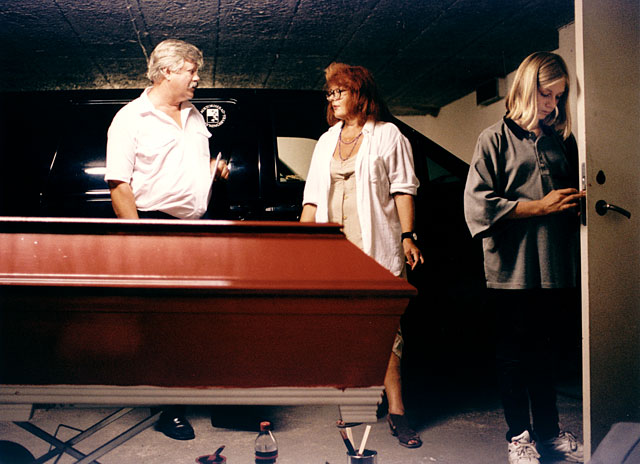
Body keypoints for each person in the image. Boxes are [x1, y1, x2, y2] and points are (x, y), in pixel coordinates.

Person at [463, 52, 585, 464]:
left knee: (544, 353)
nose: (551, 104)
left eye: (558, 96)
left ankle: (549, 434)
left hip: (553, 267)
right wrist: (540, 207)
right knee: (513, 356)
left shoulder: (559, 141)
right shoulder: (492, 138)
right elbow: (477, 205)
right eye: (545, 93)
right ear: (525, 87)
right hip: (510, 270)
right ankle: (518, 436)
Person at [105, 39, 228, 440]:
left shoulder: (193, 115)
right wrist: (138, 239)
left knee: (201, 320)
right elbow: (119, 184)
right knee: (164, 323)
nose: (197, 78)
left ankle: (216, 402)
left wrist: (210, 170)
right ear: (166, 72)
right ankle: (168, 410)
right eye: (191, 71)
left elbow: (181, 168)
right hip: (154, 228)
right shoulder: (130, 118)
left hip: (198, 228)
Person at [301, 62, 424, 449]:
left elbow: (404, 188)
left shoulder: (389, 136)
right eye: (330, 93)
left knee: (385, 330)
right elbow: (312, 198)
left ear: (359, 93)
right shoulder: (325, 141)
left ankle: (398, 411)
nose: (332, 99)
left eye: (339, 91)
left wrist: (408, 235)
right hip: (333, 251)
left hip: (376, 247)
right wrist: (300, 243)